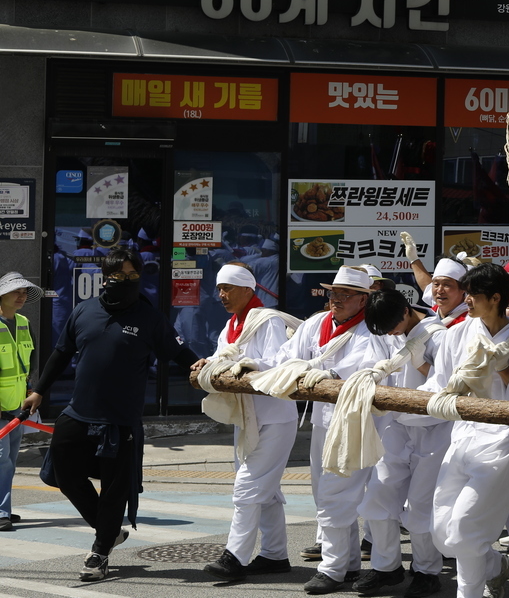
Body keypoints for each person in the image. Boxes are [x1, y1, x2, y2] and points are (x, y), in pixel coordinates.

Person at [24, 246, 198, 582]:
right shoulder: (84, 311)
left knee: (115, 489)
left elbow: (181, 354)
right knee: (62, 473)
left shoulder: (150, 318)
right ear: (107, 278)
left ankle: (99, 551)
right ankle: (108, 529)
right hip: (78, 413)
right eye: (121, 276)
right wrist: (39, 390)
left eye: (134, 276)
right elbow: (61, 354)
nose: (129, 281)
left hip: (120, 420)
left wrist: (203, 369)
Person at [431, 263, 509, 598]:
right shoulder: (458, 334)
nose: (466, 300)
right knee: (442, 533)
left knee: (465, 531)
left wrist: (504, 371)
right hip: (462, 436)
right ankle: (497, 566)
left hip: (503, 441)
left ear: (496, 297)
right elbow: (439, 384)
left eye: (472, 294)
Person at [269, 265, 391, 594]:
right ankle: (349, 563)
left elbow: (377, 374)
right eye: (333, 292)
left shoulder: (374, 331)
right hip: (323, 420)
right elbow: (285, 358)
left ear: (364, 300)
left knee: (335, 496)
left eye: (345, 294)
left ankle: (333, 568)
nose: (335, 299)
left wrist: (329, 376)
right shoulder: (315, 324)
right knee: (325, 491)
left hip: (356, 421)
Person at [193, 263, 302, 583]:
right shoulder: (232, 326)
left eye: (227, 288)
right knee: (263, 490)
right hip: (249, 415)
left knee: (248, 487)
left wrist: (234, 366)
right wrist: (208, 364)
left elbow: (276, 365)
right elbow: (221, 358)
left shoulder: (266, 321)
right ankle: (274, 554)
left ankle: (235, 556)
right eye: (219, 288)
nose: (221, 294)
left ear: (247, 289)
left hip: (276, 417)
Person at [357, 284, 448, 597]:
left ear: (407, 311)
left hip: (433, 429)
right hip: (397, 425)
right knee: (378, 495)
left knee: (421, 506)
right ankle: (386, 567)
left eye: (394, 325)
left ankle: (427, 571)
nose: (391, 332)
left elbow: (446, 382)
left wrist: (418, 361)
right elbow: (375, 366)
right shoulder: (388, 333)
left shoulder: (438, 333)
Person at [0, 273, 39, 532]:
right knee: (2, 459)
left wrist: (30, 390)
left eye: (24, 292)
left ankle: (5, 508)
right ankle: (1, 511)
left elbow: (31, 360)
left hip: (17, 404)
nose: (22, 296)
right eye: (16, 291)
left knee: (11, 459)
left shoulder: (24, 322)